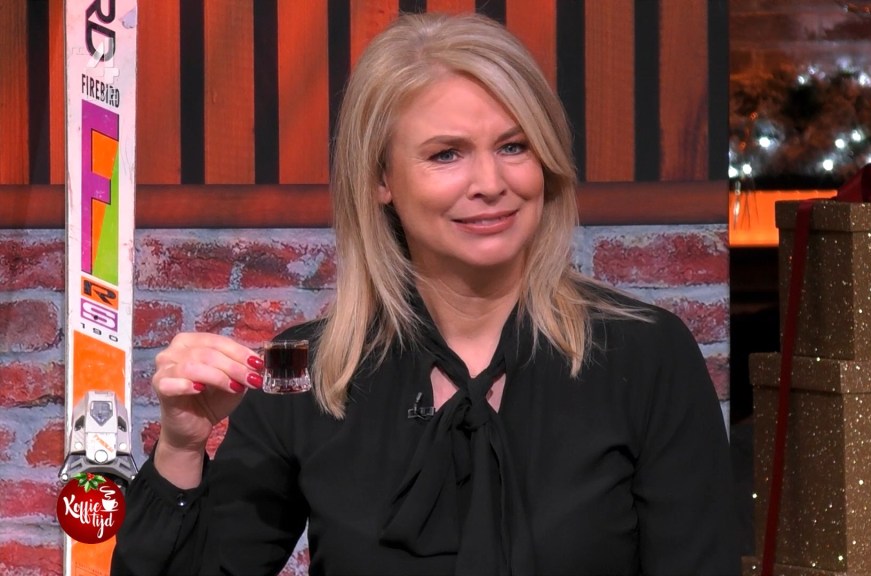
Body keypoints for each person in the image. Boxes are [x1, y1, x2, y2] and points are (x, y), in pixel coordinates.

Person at [111, 11, 738, 576]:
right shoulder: (311, 372)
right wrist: (182, 446)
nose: (490, 182)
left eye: (513, 146)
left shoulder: (646, 356)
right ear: (381, 178)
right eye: (446, 155)